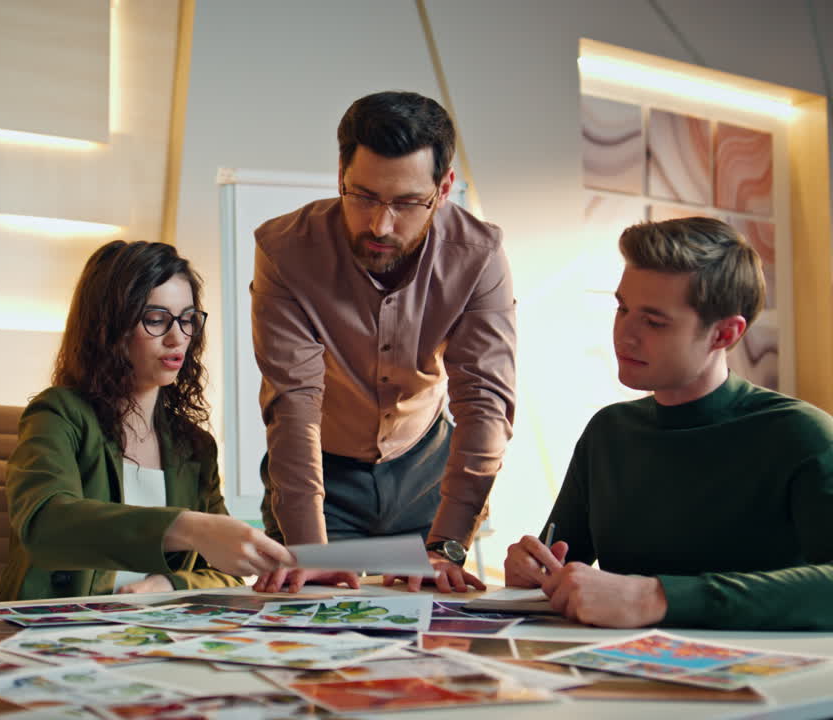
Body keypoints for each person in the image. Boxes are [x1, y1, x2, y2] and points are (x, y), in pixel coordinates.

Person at [504, 217, 833, 630]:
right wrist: (531, 570)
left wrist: (656, 597)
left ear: (725, 334)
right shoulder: (609, 432)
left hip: (763, 682)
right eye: (622, 308)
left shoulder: (801, 435)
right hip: (613, 672)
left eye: (654, 321)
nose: (625, 334)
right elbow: (561, 566)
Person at [251, 90, 514, 594]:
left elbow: (485, 404)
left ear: (444, 188)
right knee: (312, 629)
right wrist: (311, 550)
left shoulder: (478, 255)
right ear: (340, 176)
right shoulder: (285, 251)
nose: (380, 224)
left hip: (427, 475)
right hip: (321, 479)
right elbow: (294, 404)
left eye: (408, 202)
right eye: (364, 196)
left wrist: (449, 544)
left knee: (429, 634)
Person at [0, 240, 293, 600]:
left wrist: (170, 584)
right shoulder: (58, 414)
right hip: (64, 628)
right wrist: (190, 528)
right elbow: (45, 525)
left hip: (156, 629)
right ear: (108, 326)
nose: (178, 337)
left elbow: (224, 574)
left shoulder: (194, 445)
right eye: (155, 319)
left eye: (188, 319)